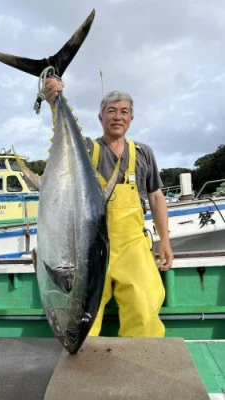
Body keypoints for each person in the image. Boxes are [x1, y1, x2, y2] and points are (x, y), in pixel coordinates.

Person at [43, 78, 173, 338]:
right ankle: (83, 364)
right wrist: (53, 102)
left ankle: (141, 362)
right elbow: (65, 146)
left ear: (131, 119)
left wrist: (165, 240)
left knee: (145, 313)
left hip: (133, 246)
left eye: (124, 112)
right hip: (88, 246)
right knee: (82, 320)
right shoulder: (88, 148)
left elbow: (156, 197)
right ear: (100, 116)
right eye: (111, 111)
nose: (118, 117)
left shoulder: (143, 152)